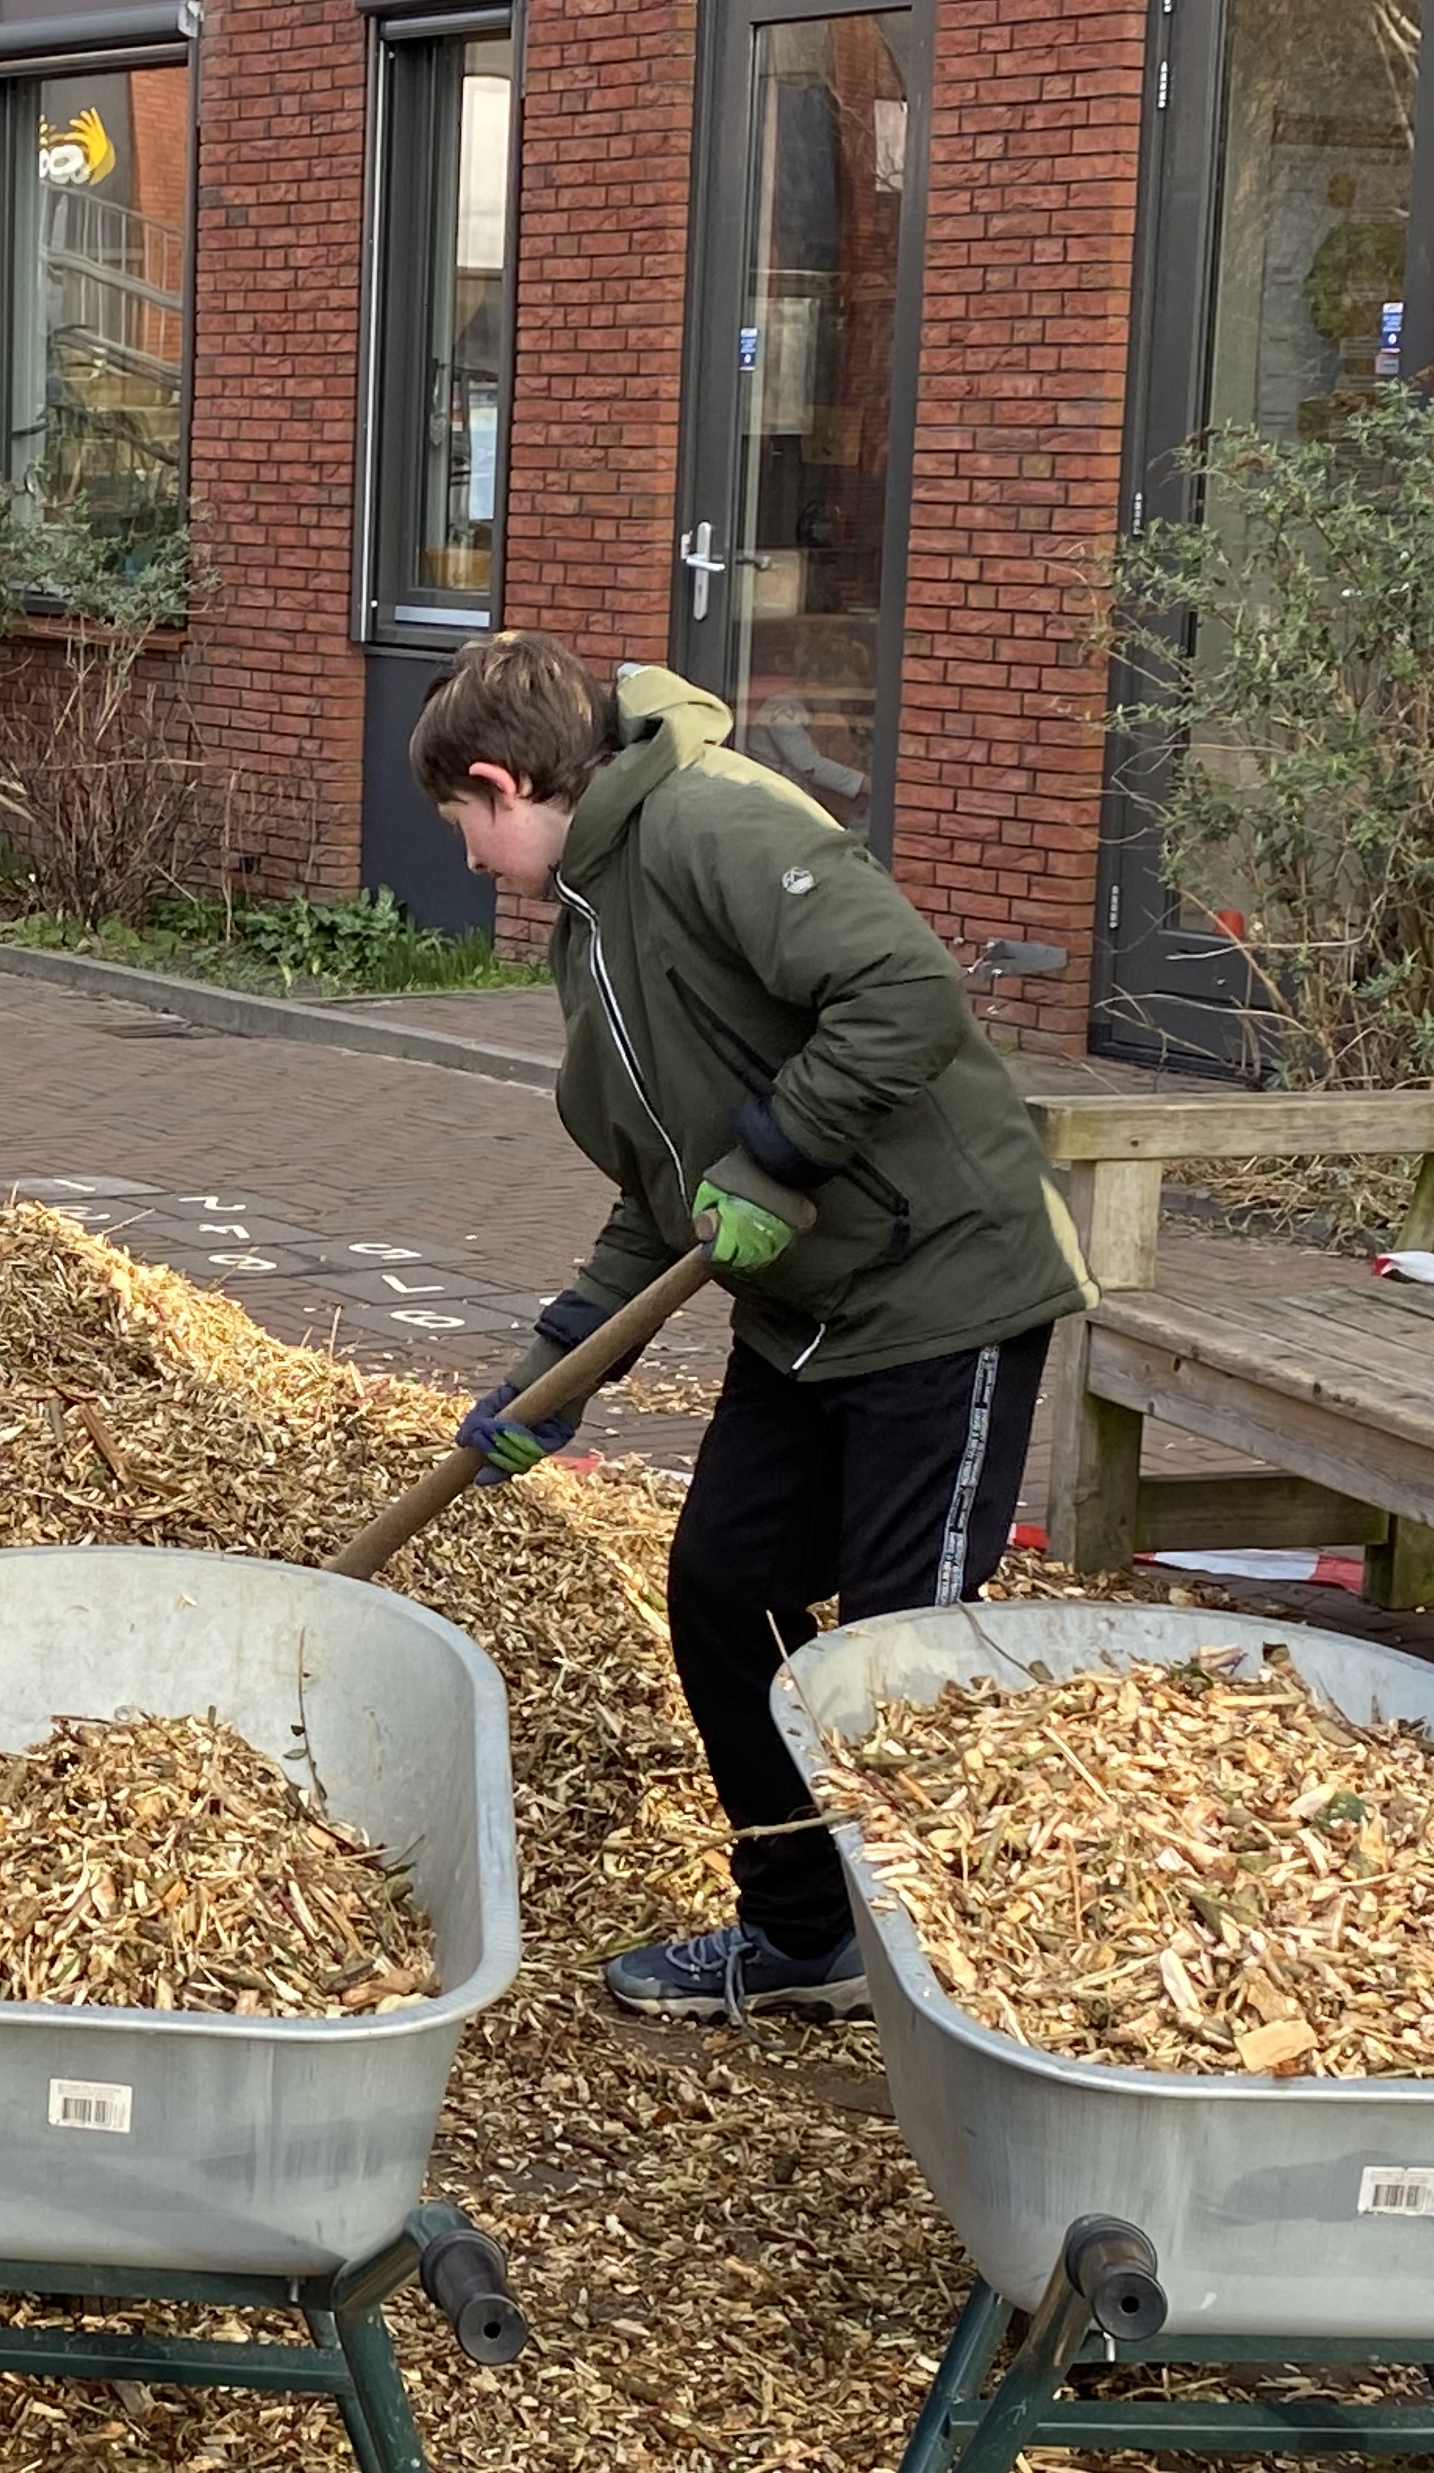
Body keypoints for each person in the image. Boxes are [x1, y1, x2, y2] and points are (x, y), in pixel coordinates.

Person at [413, 630, 1092, 2020]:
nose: (471, 858)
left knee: (900, 1655)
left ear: (503, 780)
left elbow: (904, 994)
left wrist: (779, 1153)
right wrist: (556, 1373)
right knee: (732, 1594)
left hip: (939, 1287)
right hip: (802, 1317)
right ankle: (805, 1936)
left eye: (464, 824)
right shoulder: (594, 925)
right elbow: (667, 1193)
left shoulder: (709, 824)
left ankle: (958, 1998)